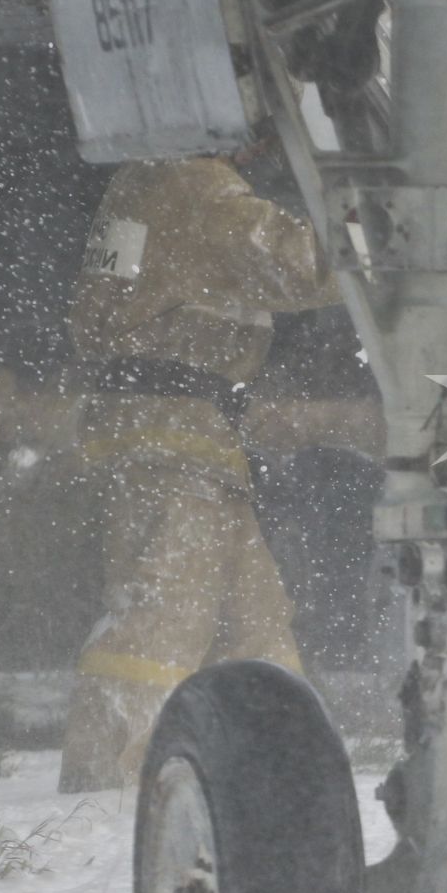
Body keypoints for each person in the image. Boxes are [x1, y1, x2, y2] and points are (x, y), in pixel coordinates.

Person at [58, 143, 341, 792]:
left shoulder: (145, 177)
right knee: (165, 610)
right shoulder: (193, 185)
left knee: (254, 622)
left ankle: (280, 778)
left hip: (174, 429)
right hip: (172, 432)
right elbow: (299, 263)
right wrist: (393, 229)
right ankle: (108, 783)